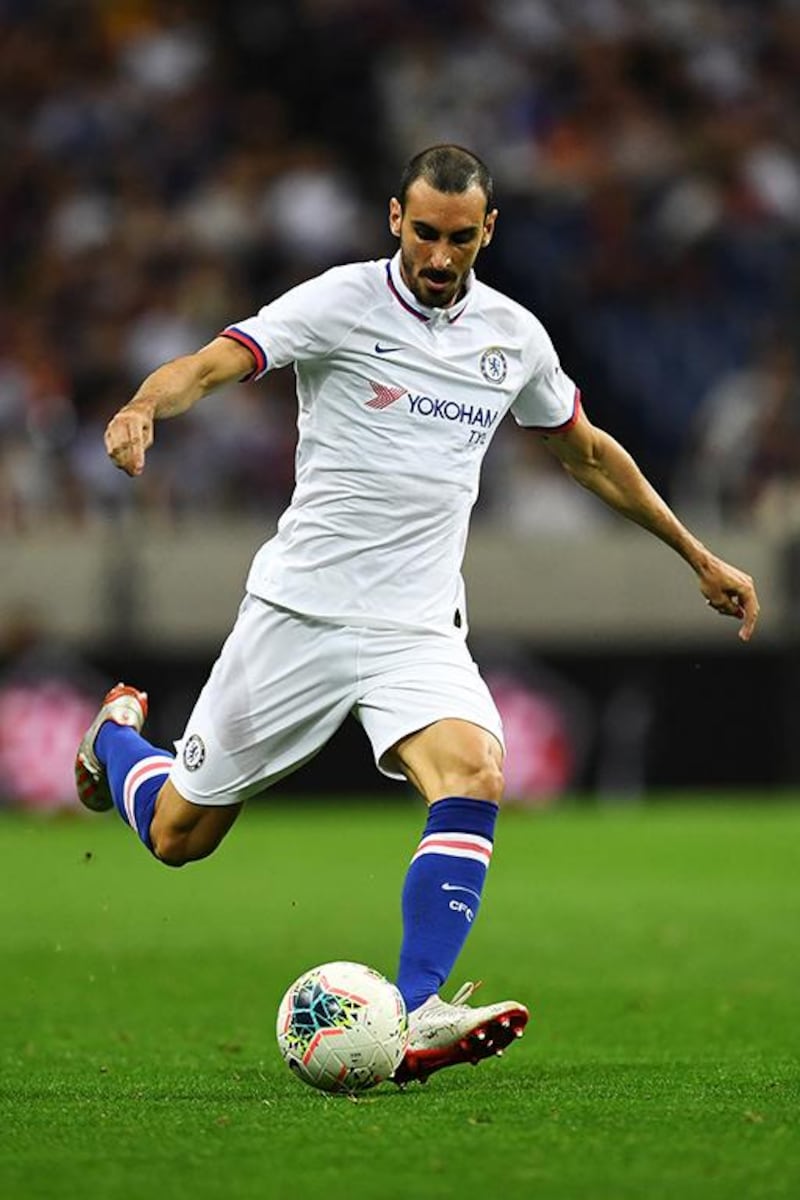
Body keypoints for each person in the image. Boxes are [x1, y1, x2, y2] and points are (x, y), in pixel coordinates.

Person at [75, 145, 760, 1085]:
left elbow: (589, 453)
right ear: (397, 218)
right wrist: (145, 408)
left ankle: (421, 1008)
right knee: (178, 838)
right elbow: (211, 364)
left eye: (461, 238)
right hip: (299, 613)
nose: (440, 257)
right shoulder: (338, 302)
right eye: (426, 233)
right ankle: (114, 738)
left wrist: (698, 554)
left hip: (417, 627)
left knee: (476, 768)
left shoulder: (513, 337)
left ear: (488, 231)